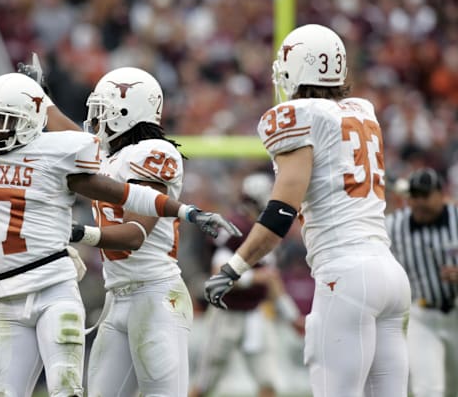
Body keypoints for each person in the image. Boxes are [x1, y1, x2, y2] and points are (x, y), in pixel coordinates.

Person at [0, 26, 238, 396]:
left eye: (5, 120)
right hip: (74, 292)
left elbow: (125, 206)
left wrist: (183, 212)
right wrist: (40, 95)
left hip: (130, 290)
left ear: (124, 113)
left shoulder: (137, 154)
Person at [203, 24, 411, 397]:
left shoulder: (301, 116)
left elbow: (281, 212)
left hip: (346, 275)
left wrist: (235, 268)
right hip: (390, 276)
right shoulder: (363, 111)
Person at [52, 66, 205, 396]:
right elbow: (71, 138)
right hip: (119, 295)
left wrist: (79, 234)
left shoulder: (153, 152)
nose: (95, 121)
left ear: (124, 112)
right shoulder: (113, 157)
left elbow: (135, 234)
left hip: (155, 295)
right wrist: (40, 101)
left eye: (102, 112)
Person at [190, 173, 302, 397]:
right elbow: (218, 273)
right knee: (204, 383)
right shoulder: (235, 228)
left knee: (268, 383)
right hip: (226, 313)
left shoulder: (267, 233)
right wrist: (257, 278)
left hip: (256, 315)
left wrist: (291, 316)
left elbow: (273, 279)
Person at [385, 168, 458, 397]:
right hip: (422, 316)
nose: (418, 202)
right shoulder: (395, 226)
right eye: (414, 196)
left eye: (425, 196)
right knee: (428, 389)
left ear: (441, 194)